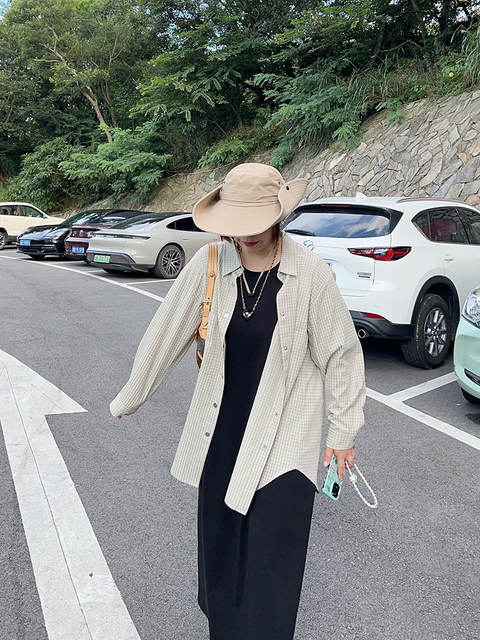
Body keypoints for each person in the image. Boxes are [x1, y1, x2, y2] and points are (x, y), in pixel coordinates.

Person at [110, 162, 366, 640]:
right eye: (238, 223)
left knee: (271, 569)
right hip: (222, 437)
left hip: (285, 440)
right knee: (222, 561)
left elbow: (342, 355)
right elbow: (166, 333)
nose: (246, 234)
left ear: (278, 216)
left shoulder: (309, 273)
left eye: (256, 222)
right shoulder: (211, 263)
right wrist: (132, 395)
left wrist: (343, 432)